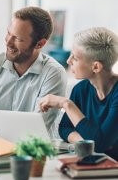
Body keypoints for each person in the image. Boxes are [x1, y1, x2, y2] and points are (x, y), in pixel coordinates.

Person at [0, 6, 67, 137]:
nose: (8, 42)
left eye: (18, 39)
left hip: (36, 150)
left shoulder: (54, 74)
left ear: (40, 44)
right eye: (9, 33)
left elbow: (39, 127)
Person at [39, 27, 118, 160]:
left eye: (75, 58)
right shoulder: (81, 89)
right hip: (92, 163)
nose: (68, 61)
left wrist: (66, 104)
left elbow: (100, 144)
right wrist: (86, 142)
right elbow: (64, 128)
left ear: (96, 67)